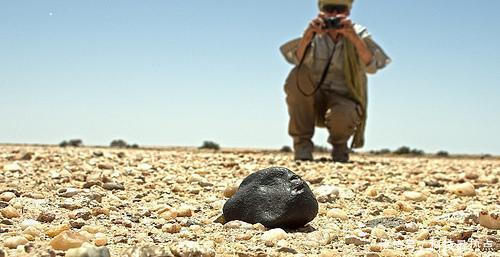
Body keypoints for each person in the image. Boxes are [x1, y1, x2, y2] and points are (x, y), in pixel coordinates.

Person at [280, 0, 390, 162]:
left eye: (340, 9)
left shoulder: (358, 34)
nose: (334, 14)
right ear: (321, 11)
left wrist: (353, 38)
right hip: (313, 101)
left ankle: (340, 147)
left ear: (348, 12)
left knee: (343, 112)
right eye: (329, 9)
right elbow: (297, 60)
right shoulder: (315, 32)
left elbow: (372, 67)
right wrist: (308, 36)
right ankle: (302, 146)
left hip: (343, 102)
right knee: (297, 74)